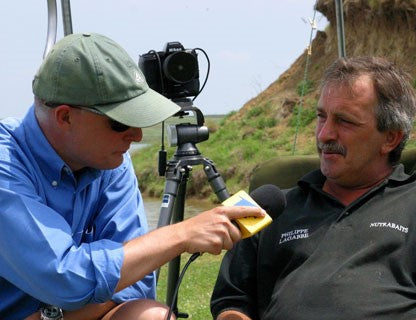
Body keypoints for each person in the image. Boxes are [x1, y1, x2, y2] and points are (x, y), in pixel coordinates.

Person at [0, 32, 265, 320]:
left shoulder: (111, 159)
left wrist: (51, 318)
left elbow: (136, 283)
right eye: (119, 122)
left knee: (150, 315)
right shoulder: (7, 164)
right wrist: (179, 235)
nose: (136, 135)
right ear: (65, 117)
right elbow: (65, 278)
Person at [210, 56, 416, 320]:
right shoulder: (269, 206)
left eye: (344, 121)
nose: (324, 134)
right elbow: (231, 302)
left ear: (390, 138)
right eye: (321, 117)